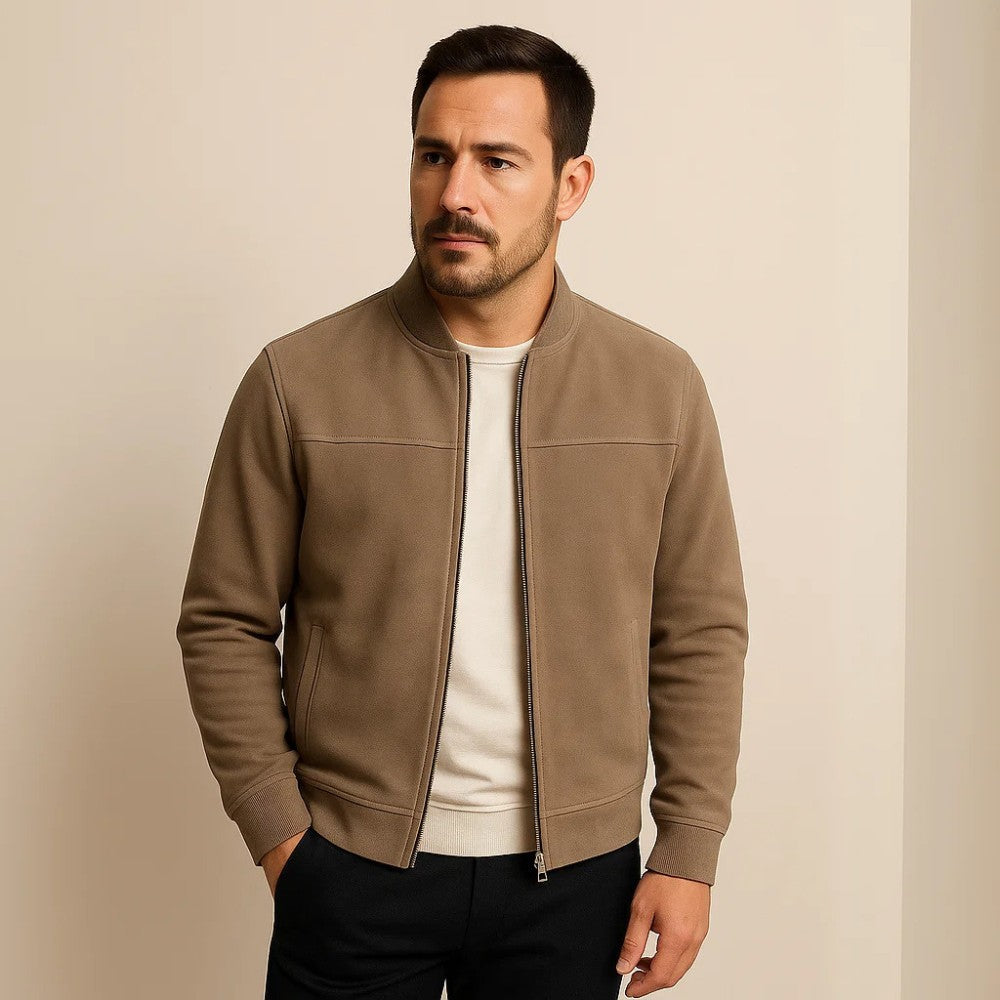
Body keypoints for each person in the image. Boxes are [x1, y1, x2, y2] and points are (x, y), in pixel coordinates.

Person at [176, 23, 748, 1000]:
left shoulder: (657, 388)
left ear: (571, 184)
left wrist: (688, 847)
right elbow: (222, 619)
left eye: (498, 160)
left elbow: (698, 628)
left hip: (577, 883)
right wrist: (282, 838)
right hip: (350, 871)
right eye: (433, 155)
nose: (455, 193)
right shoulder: (297, 381)